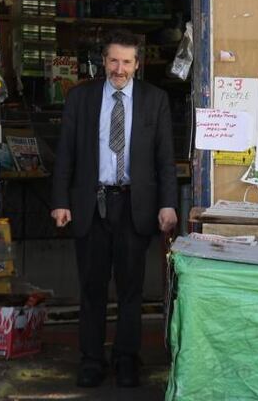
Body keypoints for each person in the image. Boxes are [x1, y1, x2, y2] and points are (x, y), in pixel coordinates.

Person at [51, 29, 177, 389]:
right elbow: (66, 154)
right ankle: (91, 359)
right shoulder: (81, 98)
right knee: (91, 288)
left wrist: (168, 204)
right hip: (92, 203)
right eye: (113, 60)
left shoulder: (155, 100)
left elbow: (164, 158)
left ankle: (126, 359)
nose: (119, 68)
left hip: (134, 206)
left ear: (137, 64)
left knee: (130, 289)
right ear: (103, 61)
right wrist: (60, 200)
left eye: (126, 61)